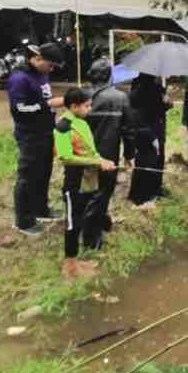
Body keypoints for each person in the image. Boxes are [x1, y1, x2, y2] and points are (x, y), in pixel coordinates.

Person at [54, 88, 116, 281]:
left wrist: (103, 160)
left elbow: (90, 150)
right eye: (87, 106)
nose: (90, 109)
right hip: (74, 182)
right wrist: (97, 162)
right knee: (73, 223)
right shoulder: (63, 126)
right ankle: (70, 266)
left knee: (80, 219)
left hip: (88, 180)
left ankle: (76, 262)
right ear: (73, 106)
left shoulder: (82, 122)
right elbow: (65, 157)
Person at [7, 42, 65, 236]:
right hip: (30, 134)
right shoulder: (19, 78)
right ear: (38, 59)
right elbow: (19, 110)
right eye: (51, 65)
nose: (52, 69)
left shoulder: (41, 74)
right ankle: (23, 221)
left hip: (46, 132)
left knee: (44, 172)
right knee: (28, 177)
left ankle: (41, 209)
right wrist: (47, 104)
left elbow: (41, 98)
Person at [84, 58, 135, 236]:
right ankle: (92, 238)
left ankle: (98, 222)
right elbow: (128, 131)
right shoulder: (120, 98)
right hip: (107, 155)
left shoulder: (82, 96)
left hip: (82, 154)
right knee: (102, 193)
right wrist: (129, 155)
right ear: (110, 76)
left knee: (87, 191)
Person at [128, 73, 173, 207]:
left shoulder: (155, 87)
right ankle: (141, 196)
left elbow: (158, 109)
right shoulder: (141, 89)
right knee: (147, 162)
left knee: (159, 160)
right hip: (146, 132)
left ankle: (156, 189)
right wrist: (164, 101)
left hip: (157, 129)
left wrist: (167, 102)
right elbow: (146, 111)